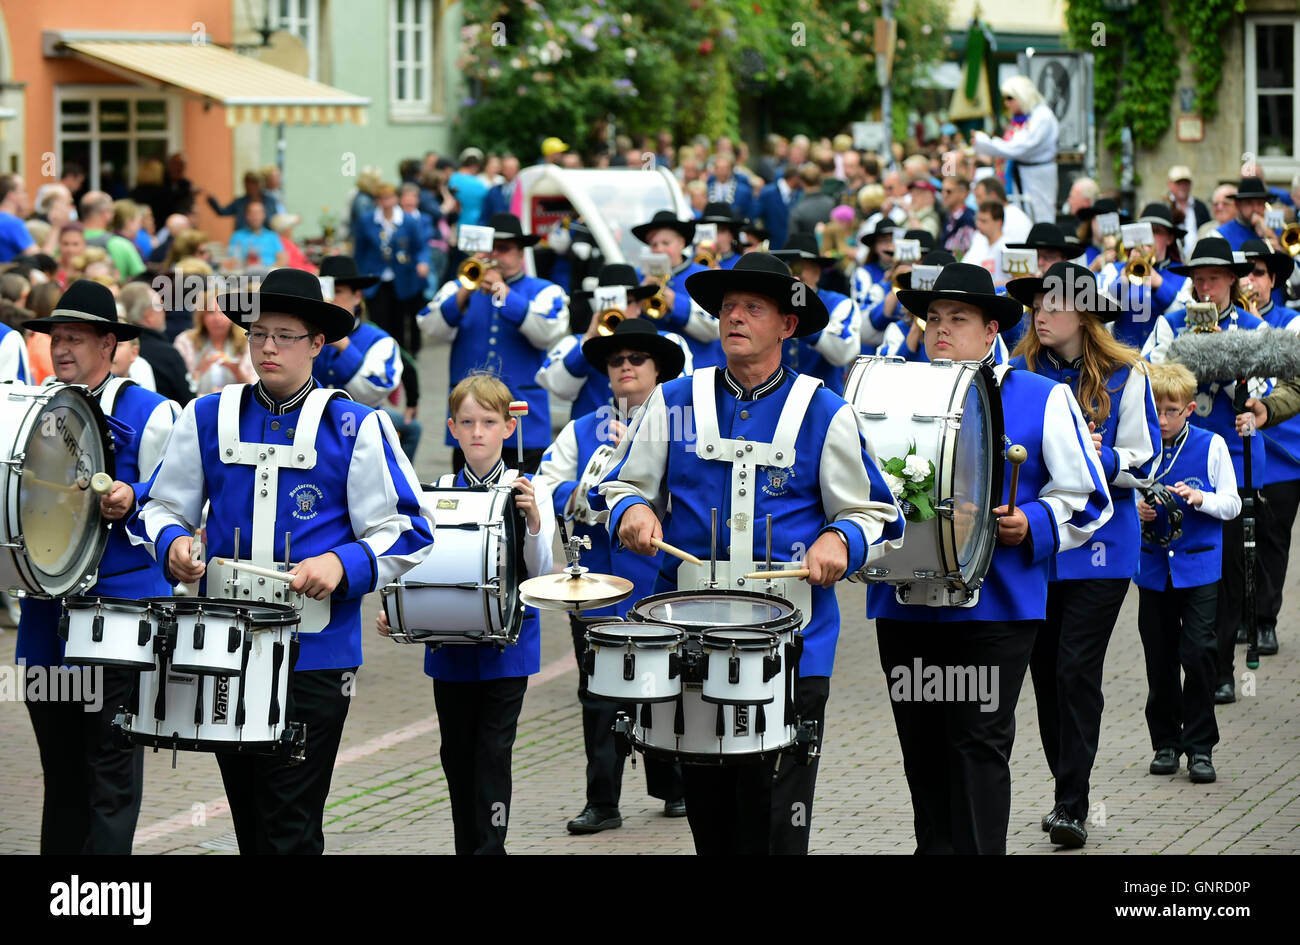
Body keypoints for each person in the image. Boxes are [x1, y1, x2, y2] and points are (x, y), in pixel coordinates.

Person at [596, 252, 904, 855]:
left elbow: (879, 512)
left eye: (752, 308)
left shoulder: (825, 410)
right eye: (728, 307)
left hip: (796, 645)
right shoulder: (673, 400)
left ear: (787, 325)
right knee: (712, 818)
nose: (734, 317)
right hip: (692, 640)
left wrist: (839, 539)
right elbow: (621, 483)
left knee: (778, 819)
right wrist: (631, 510)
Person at [134, 268, 435, 855]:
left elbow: (409, 529)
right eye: (259, 333)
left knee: (290, 822)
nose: (268, 347)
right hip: (222, 646)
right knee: (252, 819)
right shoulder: (206, 415)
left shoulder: (355, 425)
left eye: (286, 335)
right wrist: (171, 542)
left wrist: (345, 564)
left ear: (318, 344)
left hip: (315, 654)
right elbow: (161, 505)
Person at [871, 262, 1112, 855]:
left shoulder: (1040, 395)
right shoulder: (895, 391)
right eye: (932, 319)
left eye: (958, 318)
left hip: (996, 608)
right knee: (922, 747)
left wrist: (1033, 520)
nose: (941, 330)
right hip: (904, 604)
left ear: (989, 331)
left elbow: (1089, 498)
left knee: (977, 743)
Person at [17, 279, 179, 854]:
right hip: (45, 620)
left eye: (76, 339)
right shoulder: (31, 408)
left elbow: (179, 503)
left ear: (109, 344)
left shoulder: (154, 413)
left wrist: (134, 498)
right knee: (60, 774)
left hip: (118, 616)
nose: (61, 349)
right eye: (56, 338)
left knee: (110, 772)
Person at [1006, 261, 1160, 848]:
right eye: (1036, 306)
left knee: (1076, 667)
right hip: (1040, 540)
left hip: (1102, 545)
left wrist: (1095, 461)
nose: (1041, 315)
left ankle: (1072, 802)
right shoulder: (1017, 372)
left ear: (1085, 314)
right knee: (1044, 672)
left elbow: (1143, 461)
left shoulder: (1128, 373)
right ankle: (1065, 789)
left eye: (1054, 305)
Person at [379, 373, 554, 854]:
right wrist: (396, 610)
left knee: (492, 754)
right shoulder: (434, 494)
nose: (478, 432)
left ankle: (489, 849)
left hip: (507, 648)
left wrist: (535, 522)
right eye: (468, 422)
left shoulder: (530, 491)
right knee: (456, 755)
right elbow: (415, 564)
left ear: (508, 429)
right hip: (449, 645)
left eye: (489, 422)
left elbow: (541, 573)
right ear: (452, 429)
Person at [535, 319, 688, 832]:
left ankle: (673, 789)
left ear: (658, 371)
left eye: (637, 359)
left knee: (669, 688)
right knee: (598, 696)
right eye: (616, 360)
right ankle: (603, 802)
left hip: (663, 584)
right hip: (598, 589)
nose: (625, 366)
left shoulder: (682, 428)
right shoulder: (582, 430)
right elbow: (545, 485)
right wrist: (588, 492)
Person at [1142, 237, 1267, 705]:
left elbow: (1262, 391)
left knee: (1226, 570)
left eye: (1213, 278)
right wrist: (1190, 350)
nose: (1204, 287)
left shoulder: (1251, 328)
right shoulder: (1170, 324)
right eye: (1197, 279)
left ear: (1232, 280)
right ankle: (1181, 666)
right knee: (1171, 566)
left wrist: (1231, 363)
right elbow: (1152, 379)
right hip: (1173, 458)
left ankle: (1220, 669)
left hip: (1228, 458)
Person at [1135, 363, 1240, 785]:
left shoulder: (1212, 445)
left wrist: (1200, 498)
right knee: (1159, 658)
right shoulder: (1138, 449)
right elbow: (1113, 500)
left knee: (1198, 654)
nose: (1162, 420)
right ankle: (1165, 742)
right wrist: (1135, 511)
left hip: (1198, 566)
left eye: (1171, 411)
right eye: (1155, 410)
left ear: (1190, 410)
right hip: (1154, 568)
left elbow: (1231, 505)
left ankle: (1200, 748)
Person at [421, 212, 569, 474]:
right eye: (489, 249)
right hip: (469, 420)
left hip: (522, 417)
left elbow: (546, 331)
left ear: (521, 254)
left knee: (521, 498)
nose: (495, 256)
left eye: (504, 249)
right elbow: (430, 327)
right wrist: (466, 289)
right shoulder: (458, 288)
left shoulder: (545, 291)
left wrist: (504, 293)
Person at [1235, 239, 1300, 657]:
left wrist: (1259, 330)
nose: (1250, 281)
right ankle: (1240, 615)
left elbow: (1287, 385)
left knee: (1272, 540)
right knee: (1238, 540)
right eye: (1243, 273)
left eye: (1258, 273)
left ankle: (1266, 619)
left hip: (1282, 453)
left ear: (1273, 280)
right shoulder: (1222, 325)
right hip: (1239, 448)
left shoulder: (1291, 323)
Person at [536, 263, 692, 421]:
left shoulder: (667, 341)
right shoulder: (576, 343)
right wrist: (590, 337)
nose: (619, 308)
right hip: (593, 438)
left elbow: (678, 392)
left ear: (639, 306)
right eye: (610, 301)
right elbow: (558, 387)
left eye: (626, 301)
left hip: (648, 435)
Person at [629, 209, 721, 369]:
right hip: (653, 368)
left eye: (666, 243)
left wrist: (673, 300)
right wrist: (640, 294)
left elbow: (714, 330)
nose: (659, 249)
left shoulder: (703, 274)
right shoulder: (638, 277)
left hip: (698, 368)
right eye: (654, 244)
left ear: (682, 243)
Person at [771, 233, 860, 395]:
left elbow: (844, 353)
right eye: (788, 265)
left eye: (801, 266)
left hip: (822, 400)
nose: (794, 274)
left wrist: (802, 314)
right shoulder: (770, 303)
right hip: (775, 398)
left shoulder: (840, 303)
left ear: (817, 272)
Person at [312, 255, 403, 408]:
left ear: (357, 296)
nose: (329, 299)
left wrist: (344, 346)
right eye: (324, 292)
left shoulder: (380, 341)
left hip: (359, 428)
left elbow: (374, 393)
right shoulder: (307, 335)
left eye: (337, 291)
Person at [354, 183, 432, 355]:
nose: (387, 203)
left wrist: (423, 262)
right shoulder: (367, 220)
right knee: (380, 321)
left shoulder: (408, 221)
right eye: (382, 199)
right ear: (377, 201)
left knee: (400, 322)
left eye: (390, 198)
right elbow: (359, 252)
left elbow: (421, 247)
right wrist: (358, 278)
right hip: (376, 278)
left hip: (402, 278)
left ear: (396, 199)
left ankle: (402, 359)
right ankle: (381, 355)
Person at [1101, 204, 1189, 349]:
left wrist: (1159, 285)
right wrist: (1124, 278)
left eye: (1156, 232)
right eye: (1145, 232)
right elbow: (1098, 312)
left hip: (1163, 363)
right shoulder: (1113, 270)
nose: (1149, 239)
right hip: (1120, 362)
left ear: (1170, 238)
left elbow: (1185, 318)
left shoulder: (1183, 276)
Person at [974, 76, 1060, 224]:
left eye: (1010, 98)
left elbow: (1018, 147)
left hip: (1037, 176)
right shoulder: (1028, 116)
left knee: (1040, 217)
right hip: (1023, 174)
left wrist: (985, 142)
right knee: (1024, 216)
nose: (1007, 104)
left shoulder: (1042, 116)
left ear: (1022, 94)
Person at [999, 222, 1087, 347]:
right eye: (1034, 257)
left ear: (1064, 260)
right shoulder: (1006, 294)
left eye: (1049, 257)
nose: (1040, 262)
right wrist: (1017, 287)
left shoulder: (1075, 294)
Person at [173, 284, 257, 396]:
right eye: (211, 312)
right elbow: (178, 387)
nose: (217, 319)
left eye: (223, 313)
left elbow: (256, 389)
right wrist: (200, 369)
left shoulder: (247, 342)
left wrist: (237, 371)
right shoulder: (185, 341)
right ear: (201, 316)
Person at [118, 281, 193, 405]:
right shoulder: (167, 354)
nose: (164, 311)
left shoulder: (113, 347)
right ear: (148, 315)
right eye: (160, 306)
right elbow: (189, 400)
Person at [79, 191, 145, 279]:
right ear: (105, 214)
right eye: (112, 211)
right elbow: (141, 278)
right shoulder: (120, 244)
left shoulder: (67, 242)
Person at [1214, 176, 1280, 251]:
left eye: (1260, 203)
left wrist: (1276, 244)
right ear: (1237, 205)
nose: (1255, 209)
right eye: (1249, 203)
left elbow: (1294, 262)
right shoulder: (1220, 235)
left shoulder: (1276, 231)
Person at [206, 170, 283, 232]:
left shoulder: (269, 200)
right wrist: (211, 199)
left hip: (265, 239)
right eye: (246, 184)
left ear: (258, 184)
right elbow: (222, 212)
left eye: (251, 184)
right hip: (243, 240)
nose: (248, 187)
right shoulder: (239, 202)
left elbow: (275, 221)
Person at [225, 200, 286, 269]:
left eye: (258, 213)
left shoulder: (272, 236)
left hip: (269, 275)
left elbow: (283, 259)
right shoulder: (237, 236)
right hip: (245, 275)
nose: (255, 217)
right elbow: (231, 260)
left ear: (264, 215)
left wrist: (269, 272)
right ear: (246, 215)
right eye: (252, 213)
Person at [753, 165, 802, 252]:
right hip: (772, 246)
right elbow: (754, 215)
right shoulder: (768, 193)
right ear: (794, 178)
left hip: (792, 248)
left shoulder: (799, 194)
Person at [0, 174, 36, 263]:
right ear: (11, 195)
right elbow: (38, 260)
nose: (26, 196)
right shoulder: (12, 223)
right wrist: (56, 228)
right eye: (23, 191)